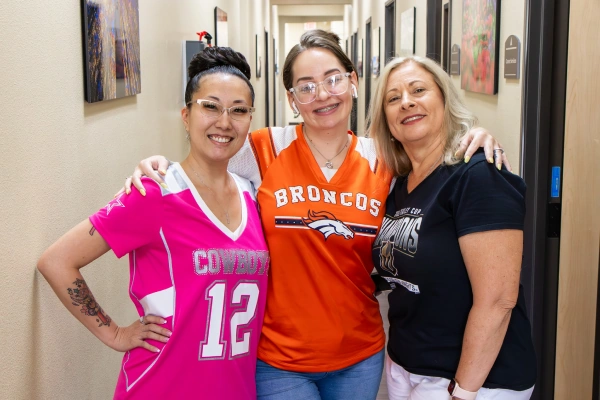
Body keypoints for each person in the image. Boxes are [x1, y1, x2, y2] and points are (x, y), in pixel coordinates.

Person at [124, 31, 511, 400]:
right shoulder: (263, 149)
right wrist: (157, 169)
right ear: (292, 100)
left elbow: (435, 160)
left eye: (333, 79)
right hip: (279, 358)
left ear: (353, 81)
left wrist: (477, 137)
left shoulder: (387, 159)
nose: (322, 94)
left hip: (360, 354)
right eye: (305, 86)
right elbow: (202, 166)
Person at [37, 47, 269, 399]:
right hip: (160, 386)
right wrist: (114, 334)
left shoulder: (252, 194)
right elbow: (56, 261)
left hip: (234, 388)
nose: (225, 121)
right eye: (210, 106)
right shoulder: (154, 192)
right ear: (186, 115)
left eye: (239, 110)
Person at [369, 55, 536, 400]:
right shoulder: (400, 183)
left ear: (445, 99)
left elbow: (499, 301)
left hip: (472, 379)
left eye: (419, 90)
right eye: (393, 98)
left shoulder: (479, 175)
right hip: (406, 364)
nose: (407, 102)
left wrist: (462, 391)